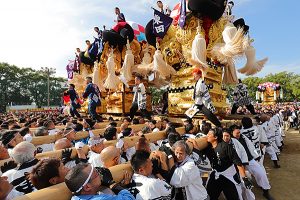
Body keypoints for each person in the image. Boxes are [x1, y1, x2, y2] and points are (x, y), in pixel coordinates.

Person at [202, 129, 252, 200]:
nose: (207, 136)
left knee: (234, 197)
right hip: (216, 174)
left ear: (215, 137)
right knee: (210, 195)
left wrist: (245, 179)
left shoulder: (226, 147)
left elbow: (238, 163)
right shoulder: (208, 147)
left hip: (228, 175)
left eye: (209, 134)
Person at [230, 126, 274, 200]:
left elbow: (250, 146)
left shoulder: (243, 137)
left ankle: (266, 191)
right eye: (237, 133)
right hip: (238, 164)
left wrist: (255, 155)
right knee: (244, 183)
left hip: (249, 159)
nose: (239, 134)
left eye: (239, 132)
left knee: (261, 173)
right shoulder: (229, 141)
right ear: (231, 133)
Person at [64, 163, 135, 200]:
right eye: (96, 173)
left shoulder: (74, 198)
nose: (100, 174)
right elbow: (130, 198)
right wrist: (112, 183)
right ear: (87, 187)